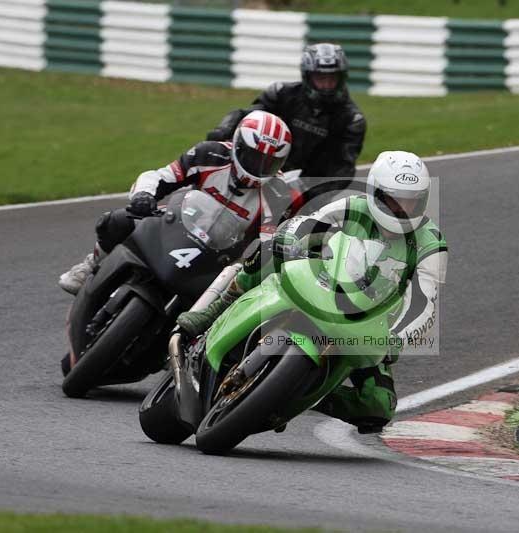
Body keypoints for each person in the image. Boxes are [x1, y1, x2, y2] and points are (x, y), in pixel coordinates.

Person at [175, 151, 448, 434]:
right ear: (375, 193)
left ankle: (295, 395)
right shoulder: (353, 207)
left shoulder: (431, 243)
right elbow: (308, 224)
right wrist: (291, 241)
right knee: (269, 249)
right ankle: (213, 312)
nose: (403, 208)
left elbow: (425, 304)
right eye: (394, 200)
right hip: (323, 283)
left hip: (367, 325)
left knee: (378, 406)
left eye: (412, 201)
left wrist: (397, 340)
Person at [58, 111, 301, 295]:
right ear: (238, 145)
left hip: (222, 260)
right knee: (117, 221)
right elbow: (160, 176)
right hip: (180, 224)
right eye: (253, 157)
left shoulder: (277, 193)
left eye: (267, 162)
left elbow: (268, 242)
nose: (258, 167)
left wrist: (248, 263)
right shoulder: (210, 154)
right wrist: (144, 195)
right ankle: (92, 264)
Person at [206, 43, 366, 179]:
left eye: (331, 79)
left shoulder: (352, 120)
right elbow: (247, 117)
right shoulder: (281, 93)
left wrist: (306, 194)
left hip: (306, 184)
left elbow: (343, 169)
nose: (326, 85)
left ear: (341, 78)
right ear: (308, 76)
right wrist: (222, 130)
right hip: (261, 165)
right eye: (320, 78)